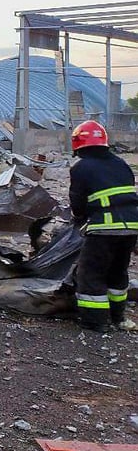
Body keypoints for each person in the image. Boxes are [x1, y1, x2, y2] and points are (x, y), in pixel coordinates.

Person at [69, 120, 138, 332]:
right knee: (118, 271)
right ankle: (118, 318)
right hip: (132, 227)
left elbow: (78, 200)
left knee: (91, 273)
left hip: (104, 229)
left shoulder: (81, 168)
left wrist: (79, 218)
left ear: (79, 145)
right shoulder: (120, 163)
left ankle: (95, 321)